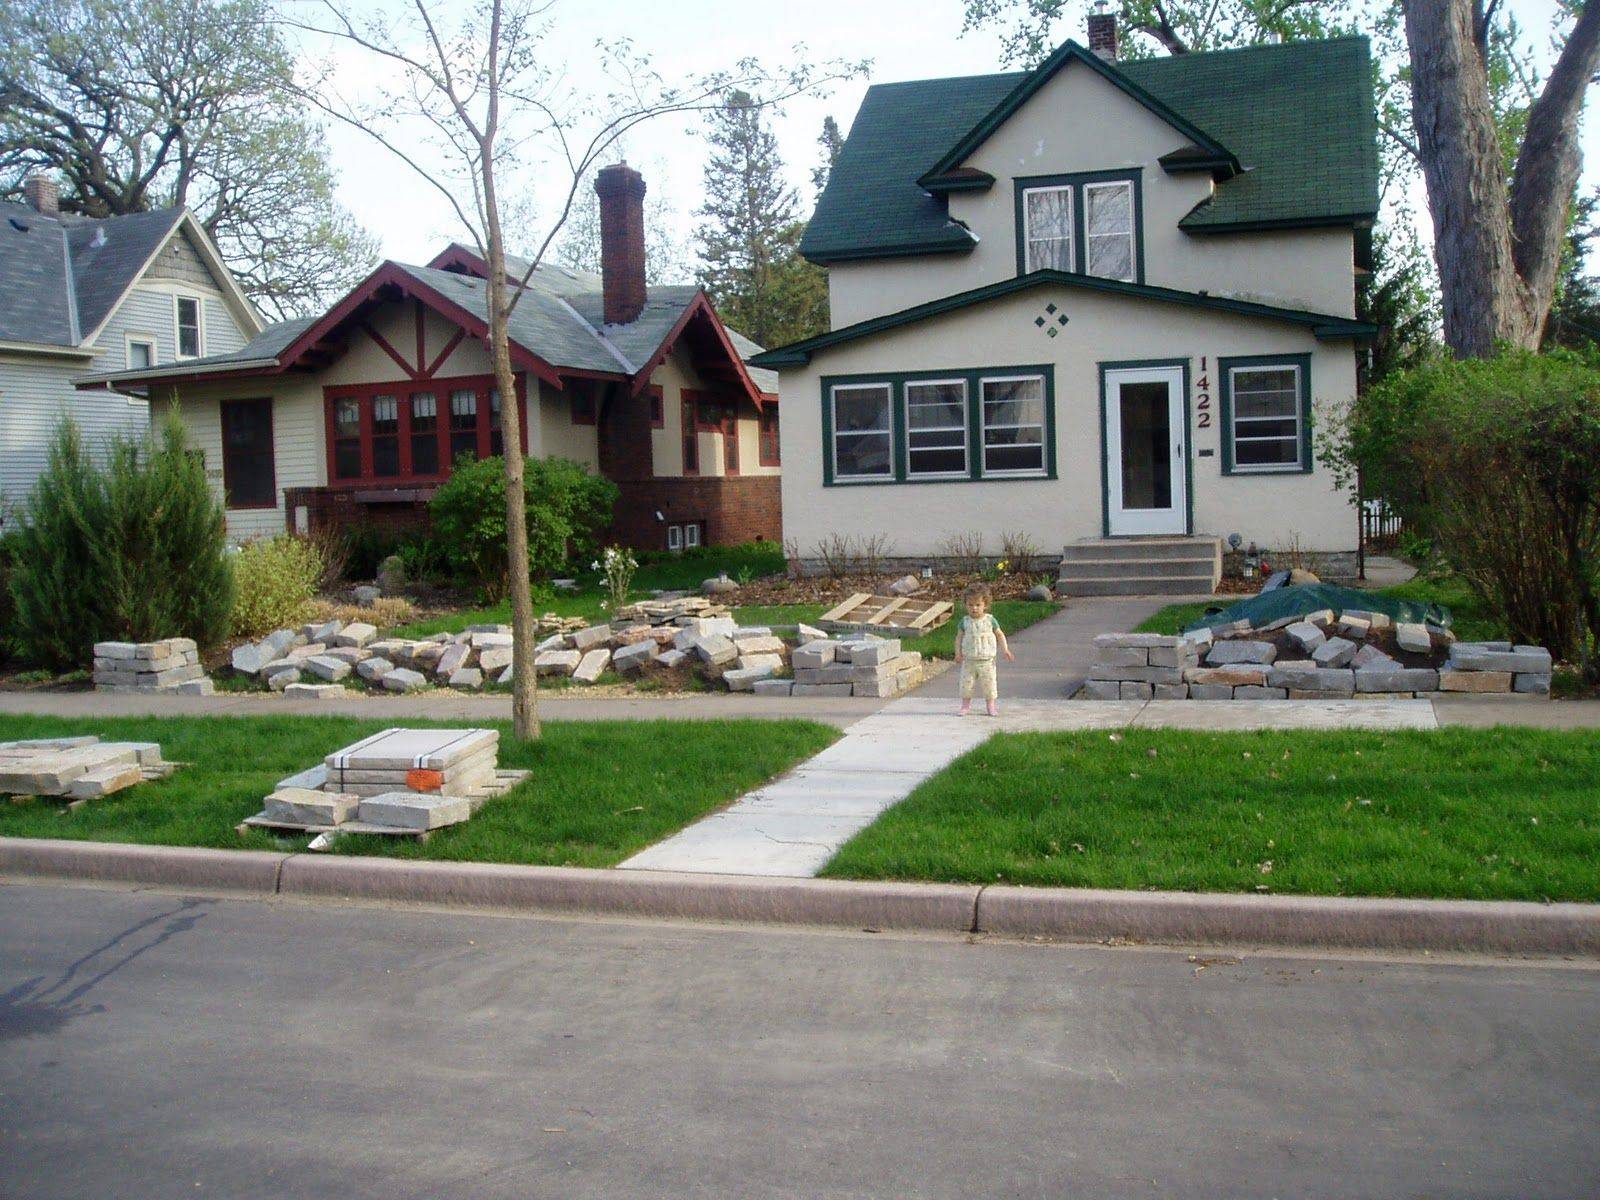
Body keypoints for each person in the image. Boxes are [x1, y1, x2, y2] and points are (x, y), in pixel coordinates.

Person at [954, 582, 1014, 717]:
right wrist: (958, 653)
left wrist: (1005, 649)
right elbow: (958, 638)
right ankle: (965, 706)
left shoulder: (990, 620)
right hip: (969, 659)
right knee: (966, 684)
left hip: (987, 659)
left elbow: (1000, 634)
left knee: (989, 683)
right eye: (970, 605)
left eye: (978, 605)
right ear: (966, 605)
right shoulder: (965, 621)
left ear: (985, 605)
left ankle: (990, 706)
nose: (974, 608)